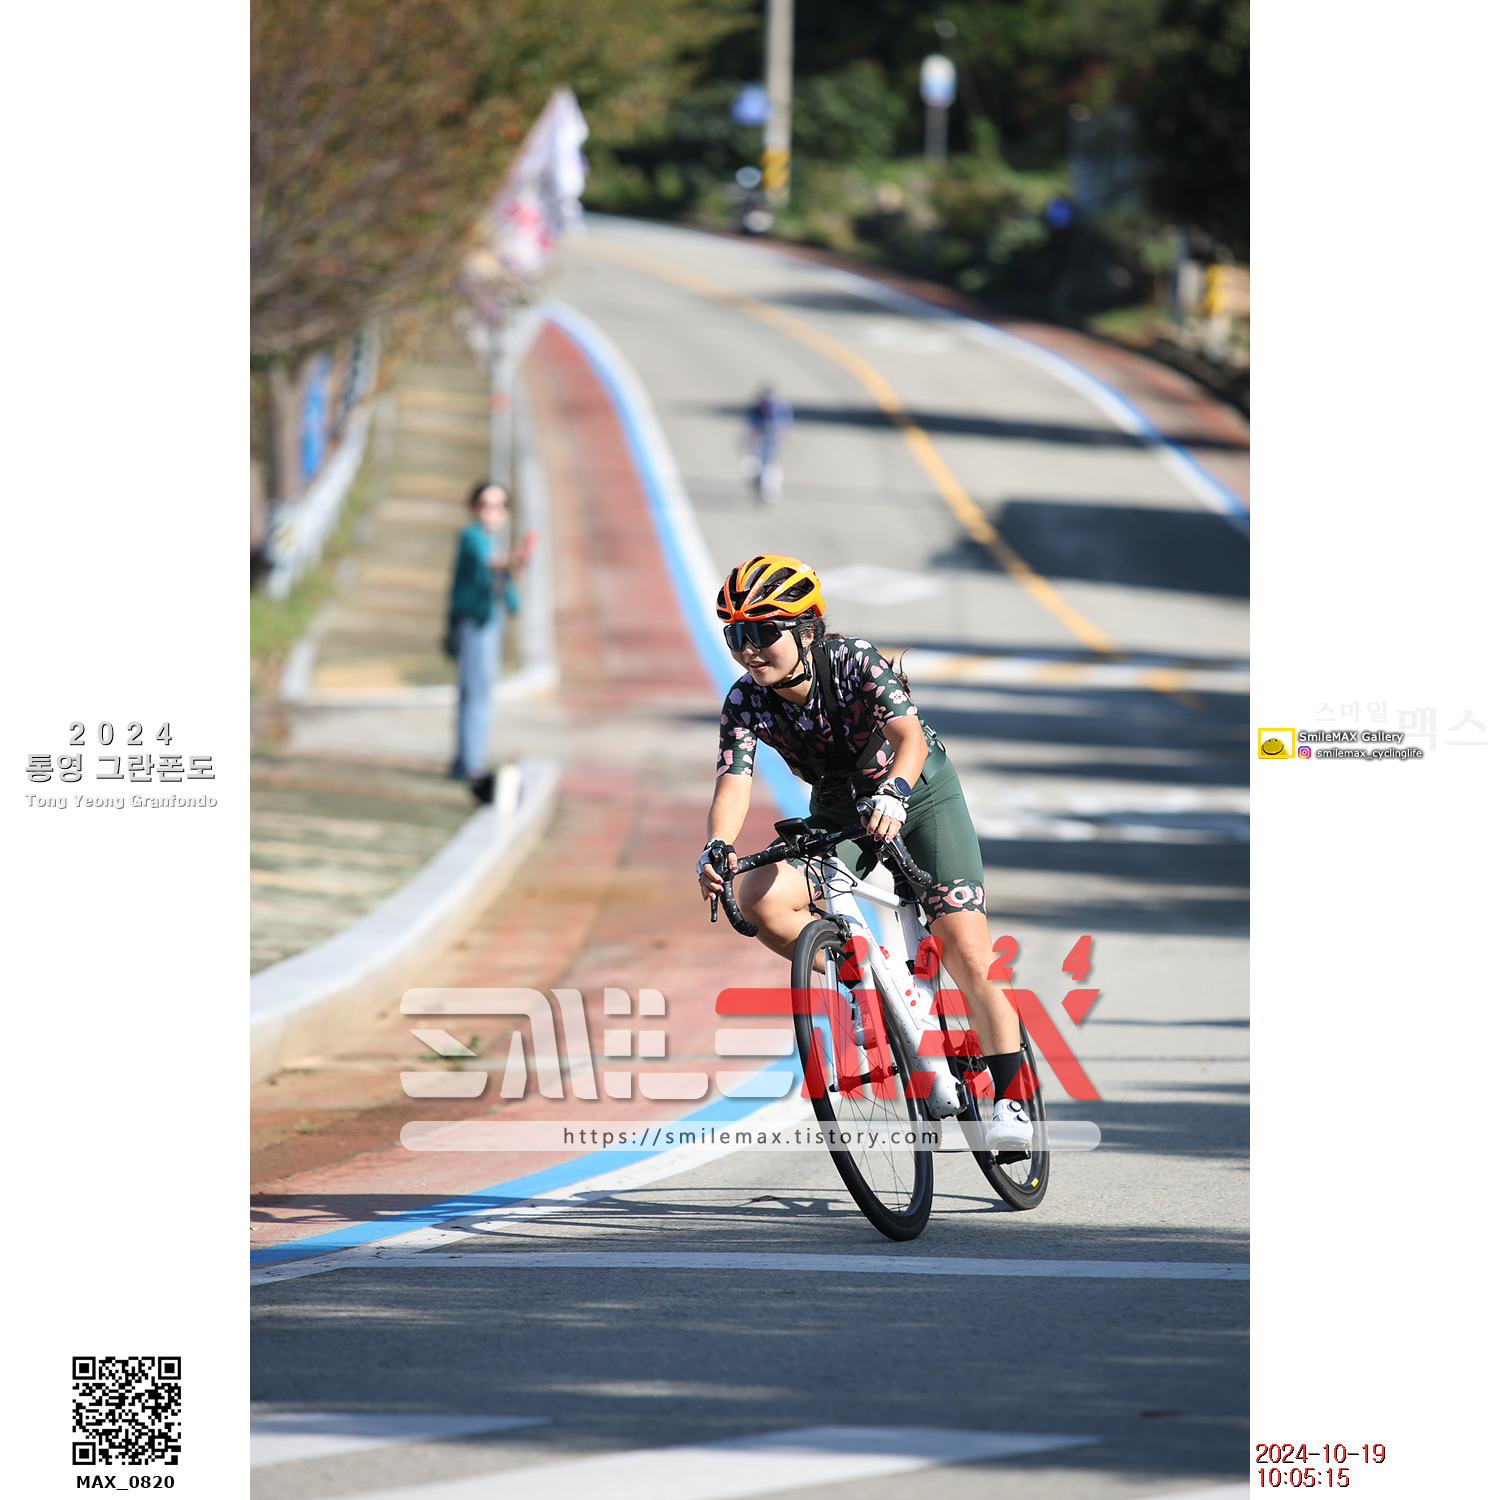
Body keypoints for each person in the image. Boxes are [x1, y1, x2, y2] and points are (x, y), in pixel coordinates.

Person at [695, 554, 1032, 1150]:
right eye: (735, 635)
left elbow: (908, 739)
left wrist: (896, 793)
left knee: (967, 952)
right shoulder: (746, 700)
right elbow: (733, 782)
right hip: (839, 811)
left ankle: (1011, 1100)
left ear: (805, 630)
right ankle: (866, 988)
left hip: (919, 795)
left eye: (762, 632)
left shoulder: (853, 660)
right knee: (761, 899)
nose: (747, 650)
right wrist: (717, 846)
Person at [445, 481, 534, 803]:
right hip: (475, 623)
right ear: (474, 507)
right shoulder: (472, 536)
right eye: (486, 505)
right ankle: (472, 764)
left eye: (499, 506)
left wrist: (514, 567)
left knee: (478, 691)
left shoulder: (491, 539)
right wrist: (511, 562)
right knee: (477, 694)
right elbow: (490, 562)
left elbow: (506, 581)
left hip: (490, 622)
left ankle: (466, 759)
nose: (492, 512)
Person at [740, 386, 792, 501]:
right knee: (752, 463)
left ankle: (771, 487)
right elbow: (747, 428)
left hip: (773, 442)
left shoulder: (779, 412)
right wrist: (751, 436)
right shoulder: (754, 411)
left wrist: (783, 436)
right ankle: (756, 481)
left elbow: (786, 429)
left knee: (773, 464)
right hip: (757, 444)